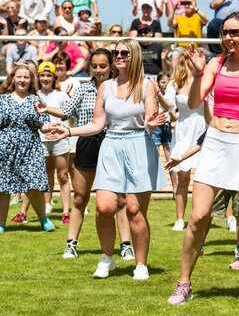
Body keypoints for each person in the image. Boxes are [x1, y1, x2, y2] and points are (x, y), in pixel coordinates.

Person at [167, 11, 239, 307]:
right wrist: (199, 72)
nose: (228, 37)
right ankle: (184, 282)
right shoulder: (215, 63)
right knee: (198, 217)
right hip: (215, 142)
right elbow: (193, 103)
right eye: (225, 32)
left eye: (234, 32)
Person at [48, 39, 168, 280]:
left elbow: (149, 123)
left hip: (138, 146)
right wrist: (68, 131)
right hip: (111, 146)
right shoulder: (106, 87)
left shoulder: (147, 85)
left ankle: (141, 264)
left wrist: (151, 124)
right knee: (104, 207)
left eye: (124, 52)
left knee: (134, 210)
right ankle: (107, 259)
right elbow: (97, 124)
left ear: (134, 55)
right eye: (116, 52)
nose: (119, 56)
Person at [36, 49, 134, 260]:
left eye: (103, 66)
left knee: (119, 199)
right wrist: (47, 109)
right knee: (80, 198)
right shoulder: (83, 88)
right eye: (95, 66)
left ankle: (126, 244)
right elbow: (67, 112)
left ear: (111, 66)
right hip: (87, 143)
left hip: (113, 143)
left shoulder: (120, 88)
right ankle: (71, 243)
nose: (98, 70)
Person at [0, 63, 57, 234]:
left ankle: (43, 220)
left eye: (26, 77)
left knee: (33, 186)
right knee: (2, 187)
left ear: (31, 80)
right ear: (13, 79)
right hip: (5, 148)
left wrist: (51, 127)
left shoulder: (36, 101)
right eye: (19, 77)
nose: (22, 80)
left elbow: (43, 126)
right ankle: (1, 224)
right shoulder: (2, 100)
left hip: (30, 148)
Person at [165, 53, 207, 232]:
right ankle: (180, 219)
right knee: (182, 177)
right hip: (183, 130)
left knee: (209, 176)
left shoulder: (206, 80)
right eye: (190, 58)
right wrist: (157, 94)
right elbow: (167, 105)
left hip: (203, 126)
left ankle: (227, 217)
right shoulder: (174, 83)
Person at [36, 62, 71, 224]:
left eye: (48, 75)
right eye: (42, 75)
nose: (45, 78)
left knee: (63, 176)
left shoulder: (61, 95)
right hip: (41, 140)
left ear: (54, 77)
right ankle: (46, 204)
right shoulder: (34, 95)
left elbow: (69, 116)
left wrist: (60, 127)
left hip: (60, 140)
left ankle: (65, 212)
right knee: (45, 174)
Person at [170, 0, 208, 67]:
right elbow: (170, 23)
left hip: (196, 48)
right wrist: (173, 10)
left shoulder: (198, 17)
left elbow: (206, 19)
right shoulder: (179, 18)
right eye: (186, 4)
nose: (187, 6)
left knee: (209, 57)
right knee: (175, 55)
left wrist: (195, 8)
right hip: (181, 48)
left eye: (189, 4)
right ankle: (174, 77)